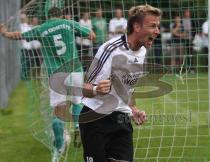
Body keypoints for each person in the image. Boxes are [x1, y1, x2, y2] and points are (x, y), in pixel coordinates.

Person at [0, 7, 97, 162]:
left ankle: (58, 150)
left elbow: (19, 36)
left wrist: (4, 33)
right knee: (77, 102)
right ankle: (78, 127)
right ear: (60, 15)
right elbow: (92, 36)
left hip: (56, 73)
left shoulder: (42, 28)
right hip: (74, 69)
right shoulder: (68, 23)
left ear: (47, 16)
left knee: (59, 111)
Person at [79, 4, 162, 162]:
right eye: (152, 26)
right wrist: (97, 89)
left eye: (157, 26)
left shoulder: (142, 51)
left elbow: (125, 87)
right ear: (137, 27)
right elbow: (84, 89)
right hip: (95, 119)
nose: (157, 31)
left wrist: (133, 109)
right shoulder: (110, 49)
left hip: (121, 119)